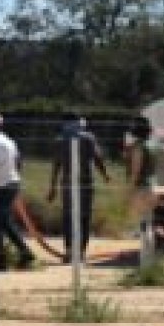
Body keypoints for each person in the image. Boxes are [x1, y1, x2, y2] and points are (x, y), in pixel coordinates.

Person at [48, 111, 110, 262]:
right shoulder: (88, 138)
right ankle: (81, 252)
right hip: (86, 182)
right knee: (84, 216)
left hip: (67, 183)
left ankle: (69, 251)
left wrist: (53, 187)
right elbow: (97, 158)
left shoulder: (59, 140)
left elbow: (56, 165)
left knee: (68, 216)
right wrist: (105, 175)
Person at [0, 111, 35, 271]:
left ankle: (8, 257)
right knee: (1, 222)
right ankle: (4, 258)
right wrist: (12, 176)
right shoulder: (9, 141)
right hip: (12, 184)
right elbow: (19, 162)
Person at [123, 115, 158, 259]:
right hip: (152, 184)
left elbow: (136, 169)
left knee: (143, 224)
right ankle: (149, 256)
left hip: (141, 187)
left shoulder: (138, 146)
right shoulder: (152, 145)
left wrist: (130, 188)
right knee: (148, 221)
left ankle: (145, 259)